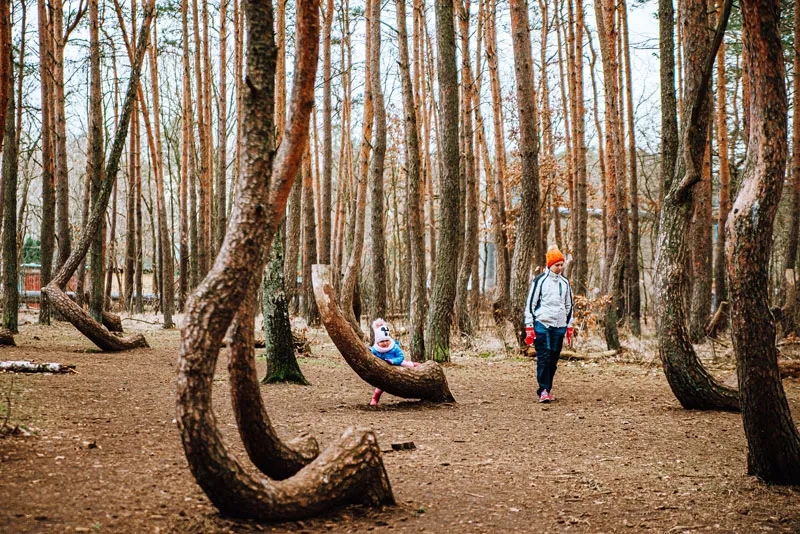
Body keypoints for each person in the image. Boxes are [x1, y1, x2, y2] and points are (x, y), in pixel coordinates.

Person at [524, 246, 574, 403]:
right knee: (544, 357)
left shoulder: (565, 283)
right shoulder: (540, 281)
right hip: (542, 323)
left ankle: (548, 388)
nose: (559, 268)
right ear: (549, 265)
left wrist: (569, 326)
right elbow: (530, 305)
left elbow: (569, 306)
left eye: (561, 264)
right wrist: (529, 326)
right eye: (556, 265)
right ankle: (543, 390)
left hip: (559, 325)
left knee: (553, 358)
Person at [369, 318, 419, 406]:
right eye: (382, 341)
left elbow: (401, 357)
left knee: (406, 364)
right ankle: (375, 398)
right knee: (381, 385)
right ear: (377, 341)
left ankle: (414, 365)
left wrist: (393, 361)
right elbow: (371, 354)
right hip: (384, 368)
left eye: (386, 340)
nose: (385, 343)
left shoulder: (394, 347)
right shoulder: (375, 349)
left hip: (397, 363)